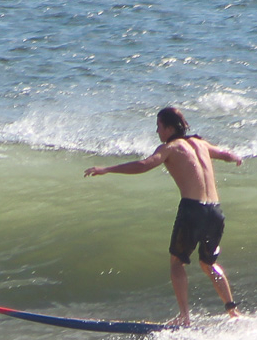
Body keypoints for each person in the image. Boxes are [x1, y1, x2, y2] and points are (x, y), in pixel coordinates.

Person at [84, 107, 243, 325]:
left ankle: (184, 317)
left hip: (192, 210)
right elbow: (224, 154)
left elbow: (143, 165)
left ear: (168, 128)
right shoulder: (201, 144)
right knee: (208, 263)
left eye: (158, 126)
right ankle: (232, 311)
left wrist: (107, 169)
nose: (157, 131)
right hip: (215, 211)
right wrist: (234, 157)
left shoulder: (170, 148)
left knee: (177, 263)